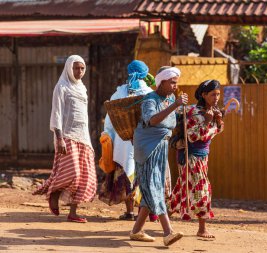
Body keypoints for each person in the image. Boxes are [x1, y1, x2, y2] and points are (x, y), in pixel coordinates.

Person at [33, 55, 97, 223]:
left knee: (84, 176)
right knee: (73, 173)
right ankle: (53, 192)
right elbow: (57, 113)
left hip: (83, 137)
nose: (79, 71)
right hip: (67, 136)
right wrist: (59, 138)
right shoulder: (61, 87)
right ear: (69, 68)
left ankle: (73, 213)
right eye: (76, 68)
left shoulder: (82, 88)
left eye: (82, 68)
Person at [130, 66, 188, 246]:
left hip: (161, 148)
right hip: (147, 149)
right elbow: (152, 120)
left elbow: (175, 116)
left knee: (151, 188)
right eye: (171, 82)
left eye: (176, 82)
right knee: (154, 188)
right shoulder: (150, 99)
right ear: (161, 82)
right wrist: (175, 105)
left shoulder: (170, 98)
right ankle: (168, 232)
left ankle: (137, 230)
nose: (174, 85)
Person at [169, 79, 224, 239]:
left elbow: (218, 130)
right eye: (213, 94)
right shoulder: (193, 112)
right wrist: (208, 121)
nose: (216, 98)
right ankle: (202, 228)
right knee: (202, 188)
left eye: (218, 94)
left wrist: (218, 120)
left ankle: (163, 214)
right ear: (203, 95)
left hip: (202, 157)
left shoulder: (212, 110)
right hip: (190, 156)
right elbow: (193, 136)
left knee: (182, 188)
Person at [99, 60, 153, 221]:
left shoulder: (118, 94)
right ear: (145, 73)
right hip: (144, 142)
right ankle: (141, 214)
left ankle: (129, 212)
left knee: (126, 175)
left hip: (122, 143)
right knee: (142, 176)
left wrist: (108, 135)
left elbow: (110, 121)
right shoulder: (150, 93)